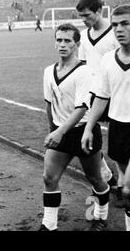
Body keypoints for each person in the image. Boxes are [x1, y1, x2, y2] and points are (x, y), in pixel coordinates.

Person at [81, 5, 130, 231]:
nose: (118, 29)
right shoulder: (108, 60)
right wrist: (88, 127)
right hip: (119, 130)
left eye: (125, 23)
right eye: (114, 25)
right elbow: (102, 97)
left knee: (128, 190)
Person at [39, 23, 110, 231]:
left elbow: (81, 108)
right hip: (60, 133)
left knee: (95, 178)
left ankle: (101, 216)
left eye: (67, 40)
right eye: (59, 40)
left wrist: (59, 132)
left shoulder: (84, 72)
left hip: (82, 132)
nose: (62, 44)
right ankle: (49, 224)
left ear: (77, 44)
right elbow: (49, 104)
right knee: (49, 178)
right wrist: (52, 130)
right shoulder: (48, 72)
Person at [76, 0, 123, 205]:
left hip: (115, 94)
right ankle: (105, 176)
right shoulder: (84, 36)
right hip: (92, 94)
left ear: (99, 11)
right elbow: (82, 66)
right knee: (85, 137)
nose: (84, 20)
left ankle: (122, 182)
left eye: (87, 16)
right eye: (81, 17)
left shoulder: (116, 34)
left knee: (120, 141)